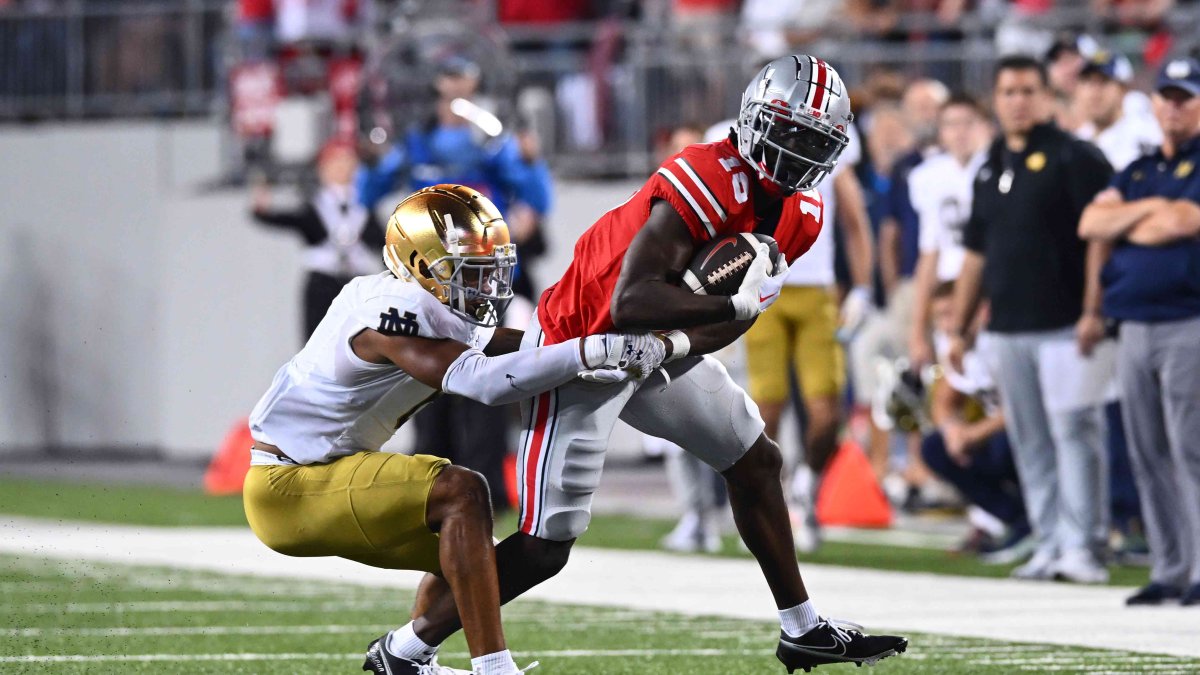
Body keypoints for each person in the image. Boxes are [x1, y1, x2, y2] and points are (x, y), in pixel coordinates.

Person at [401, 55, 909, 672]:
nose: (799, 152)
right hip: (583, 345)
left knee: (757, 461)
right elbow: (631, 298)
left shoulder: (804, 215)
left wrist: (686, 339)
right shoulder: (706, 173)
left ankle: (802, 629)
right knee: (545, 545)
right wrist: (724, 303)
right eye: (790, 132)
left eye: (815, 141)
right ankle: (405, 649)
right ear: (753, 121)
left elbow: (727, 322)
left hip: (657, 346)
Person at [243, 185, 661, 675]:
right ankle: (494, 668)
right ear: (420, 265)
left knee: (495, 556)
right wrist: (590, 353)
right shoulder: (388, 312)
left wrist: (595, 339)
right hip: (290, 484)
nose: (485, 287)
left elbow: (512, 343)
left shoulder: (425, 300)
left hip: (324, 471)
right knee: (463, 491)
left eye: (489, 270)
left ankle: (407, 656)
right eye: (470, 272)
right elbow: (481, 381)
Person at [948, 55, 1114, 584]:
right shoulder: (992, 162)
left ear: (1046, 97)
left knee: (1076, 436)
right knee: (1031, 441)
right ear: (996, 101)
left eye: (1027, 90)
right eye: (1008, 92)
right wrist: (960, 325)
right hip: (1007, 329)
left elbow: (1101, 239)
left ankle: (1084, 546)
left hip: (1067, 323)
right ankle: (1048, 541)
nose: (1018, 101)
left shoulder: (1076, 157)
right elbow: (976, 252)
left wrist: (1094, 308)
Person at [1077, 57, 1200, 606]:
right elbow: (1091, 223)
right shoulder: (1140, 171)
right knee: (1149, 452)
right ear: (1153, 104)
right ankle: (1171, 568)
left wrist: (1135, 217)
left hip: (1187, 320)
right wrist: (1151, 208)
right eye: (1166, 97)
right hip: (1134, 324)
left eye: (1185, 97)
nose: (1173, 106)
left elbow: (1184, 223)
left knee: (1192, 447)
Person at [920, 281, 1031, 562]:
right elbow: (944, 400)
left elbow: (1024, 406)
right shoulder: (956, 344)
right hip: (1001, 431)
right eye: (940, 316)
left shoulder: (996, 340)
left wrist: (973, 434)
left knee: (1004, 445)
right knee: (935, 447)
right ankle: (1020, 520)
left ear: (979, 309)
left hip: (1030, 433)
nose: (946, 324)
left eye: (950, 313)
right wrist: (952, 430)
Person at [250, 139, 384, 340]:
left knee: (361, 342)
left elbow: (383, 245)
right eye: (335, 162)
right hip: (322, 282)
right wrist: (261, 210)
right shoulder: (314, 207)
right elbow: (287, 219)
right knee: (317, 341)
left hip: (357, 282)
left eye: (348, 161)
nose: (342, 168)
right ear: (322, 169)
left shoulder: (365, 207)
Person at [908, 94, 991, 367]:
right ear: (940, 131)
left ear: (985, 126)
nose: (960, 132)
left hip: (992, 294)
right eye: (951, 124)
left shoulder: (998, 170)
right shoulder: (928, 177)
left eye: (968, 123)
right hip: (948, 299)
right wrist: (918, 330)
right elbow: (929, 253)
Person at [1074, 51, 1163, 172]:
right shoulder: (1078, 138)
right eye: (1088, 82)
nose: (1094, 93)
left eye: (1103, 82)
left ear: (1123, 90)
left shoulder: (1145, 134)